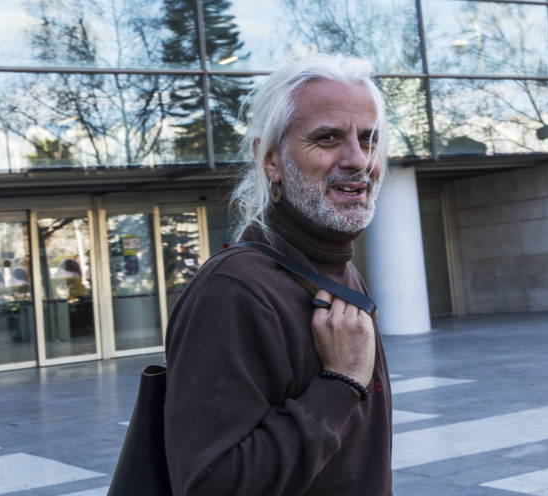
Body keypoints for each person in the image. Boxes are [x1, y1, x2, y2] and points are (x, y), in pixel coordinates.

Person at [164, 54, 392, 495]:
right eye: (327, 138)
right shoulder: (234, 290)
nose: (358, 160)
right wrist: (340, 383)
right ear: (271, 160)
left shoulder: (340, 270)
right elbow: (210, 485)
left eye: (369, 140)